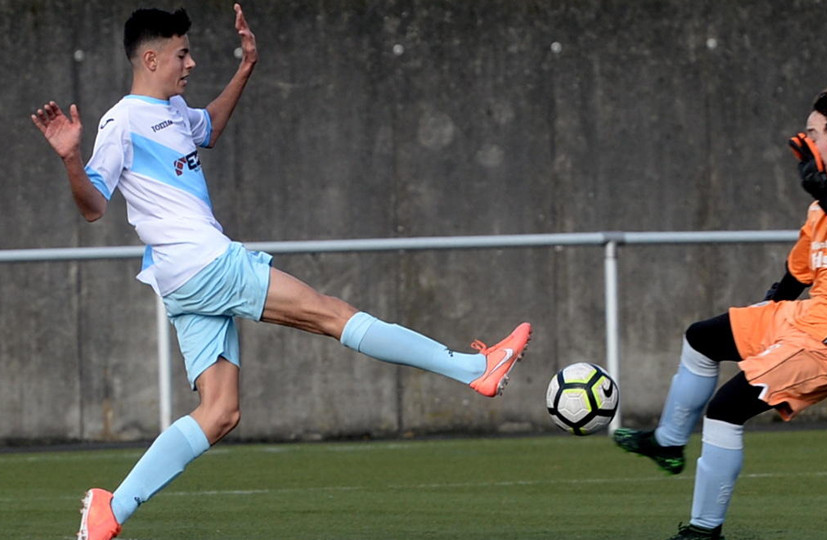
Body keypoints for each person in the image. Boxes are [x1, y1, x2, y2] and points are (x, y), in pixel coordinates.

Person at [30, 6, 531, 540]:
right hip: (207, 263)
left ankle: (111, 510)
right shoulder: (121, 121)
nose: (191, 62)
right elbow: (93, 206)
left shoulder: (173, 110)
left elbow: (211, 128)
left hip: (183, 282)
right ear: (150, 58)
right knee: (332, 314)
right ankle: (470, 369)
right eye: (182, 54)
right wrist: (69, 158)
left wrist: (246, 66)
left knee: (220, 412)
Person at [613, 81, 827, 540]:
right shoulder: (821, 209)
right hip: (805, 318)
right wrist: (769, 303)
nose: (803, 142)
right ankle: (668, 442)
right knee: (702, 337)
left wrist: (825, 193)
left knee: (725, 409)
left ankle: (704, 531)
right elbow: (798, 272)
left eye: (814, 133)